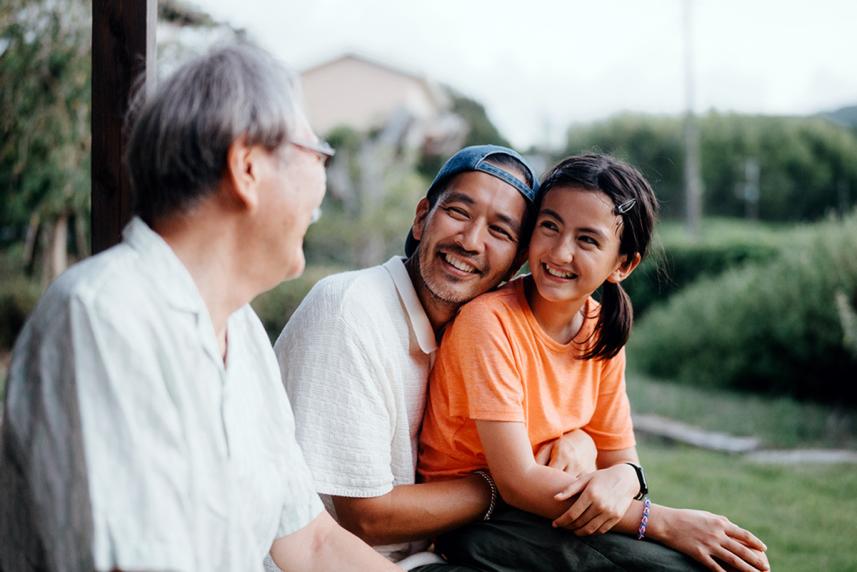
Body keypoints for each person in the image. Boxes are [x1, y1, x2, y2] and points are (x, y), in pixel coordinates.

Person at [0, 43, 398, 572]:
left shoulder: (243, 328)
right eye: (316, 153)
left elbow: (312, 541)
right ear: (247, 166)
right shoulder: (100, 318)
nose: (322, 180)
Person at [275, 146, 715, 571]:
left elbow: (609, 448)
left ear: (517, 257)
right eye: (459, 213)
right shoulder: (351, 310)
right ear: (421, 216)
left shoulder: (463, 318)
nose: (470, 241)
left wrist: (608, 463)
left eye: (501, 231)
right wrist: (513, 480)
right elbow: (366, 518)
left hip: (436, 551)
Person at [417, 153, 770, 572]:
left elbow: (620, 456)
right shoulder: (489, 322)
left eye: (587, 240)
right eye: (549, 227)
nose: (560, 252)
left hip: (548, 508)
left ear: (623, 264)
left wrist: (627, 477)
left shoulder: (601, 331)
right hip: (478, 525)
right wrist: (664, 522)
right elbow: (517, 481)